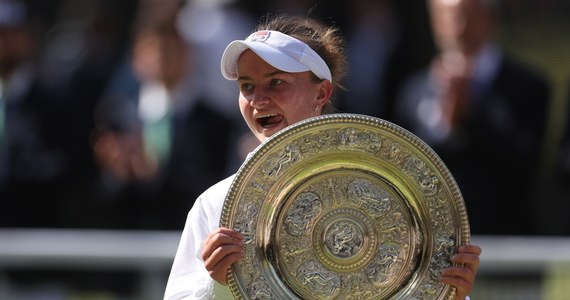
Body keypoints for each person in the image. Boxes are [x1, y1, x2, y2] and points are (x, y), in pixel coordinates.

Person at [164, 14, 481, 300]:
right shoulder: (216, 205)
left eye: (276, 82)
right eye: (247, 86)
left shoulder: (387, 188)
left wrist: (450, 295)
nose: (257, 99)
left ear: (321, 93)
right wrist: (218, 283)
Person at [395, 0, 551, 235]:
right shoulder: (414, 90)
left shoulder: (528, 87)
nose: (459, 28)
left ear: (491, 20)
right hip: (436, 239)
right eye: (448, 16)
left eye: (468, 16)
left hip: (506, 239)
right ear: (434, 22)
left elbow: (524, 164)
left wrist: (469, 116)